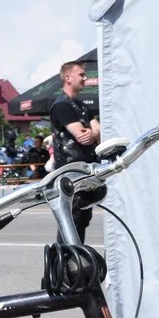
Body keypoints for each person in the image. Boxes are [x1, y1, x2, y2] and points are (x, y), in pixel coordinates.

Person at [49, 61, 101, 243]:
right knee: (72, 220)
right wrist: (93, 133)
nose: (85, 78)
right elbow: (81, 136)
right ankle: (63, 267)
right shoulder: (62, 106)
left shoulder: (82, 106)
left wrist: (94, 133)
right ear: (68, 78)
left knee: (82, 220)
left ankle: (75, 265)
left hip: (83, 172)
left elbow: (98, 130)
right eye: (81, 75)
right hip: (69, 173)